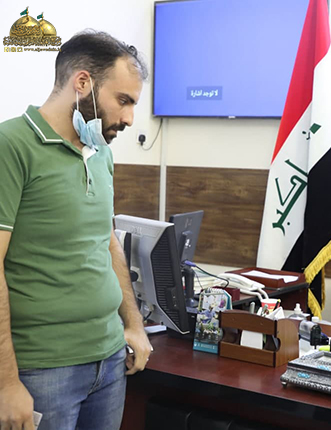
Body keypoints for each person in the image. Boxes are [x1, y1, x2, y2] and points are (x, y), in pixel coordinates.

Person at [0, 31, 152, 430]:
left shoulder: (100, 152)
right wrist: (6, 383)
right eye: (123, 100)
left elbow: (107, 241)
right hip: (43, 370)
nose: (129, 118)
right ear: (82, 83)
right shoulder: (10, 145)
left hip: (110, 359)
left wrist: (133, 323)